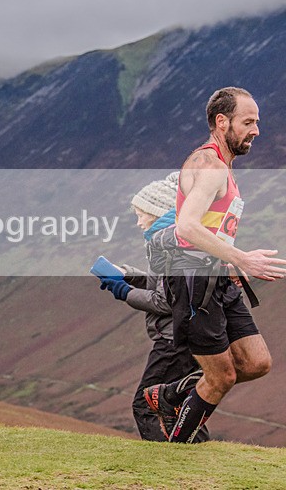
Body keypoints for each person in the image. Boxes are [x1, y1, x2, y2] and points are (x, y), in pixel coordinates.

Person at [143, 87, 286, 443]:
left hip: (217, 276)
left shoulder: (222, 166)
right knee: (221, 377)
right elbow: (187, 226)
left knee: (255, 363)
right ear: (222, 122)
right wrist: (242, 258)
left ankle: (168, 395)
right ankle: (178, 449)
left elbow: (209, 226)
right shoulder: (209, 166)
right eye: (248, 122)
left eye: (257, 122)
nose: (256, 130)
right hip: (193, 281)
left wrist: (228, 261)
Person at [96, 172, 207, 442]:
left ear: (158, 211)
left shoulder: (166, 245)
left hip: (172, 341)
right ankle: (198, 451)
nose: (138, 222)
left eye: (141, 214)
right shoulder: (174, 239)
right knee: (180, 403)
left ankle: (166, 461)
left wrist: (123, 291)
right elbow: (165, 286)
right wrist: (127, 274)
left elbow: (165, 301)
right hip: (190, 338)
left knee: (146, 404)